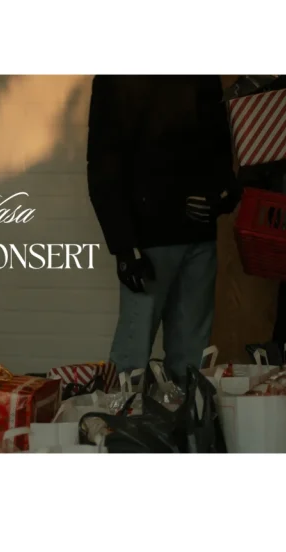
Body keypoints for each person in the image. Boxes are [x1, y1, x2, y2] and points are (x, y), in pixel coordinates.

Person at [86, 75, 240, 381]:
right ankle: (123, 413)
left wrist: (223, 196)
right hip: (150, 241)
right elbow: (103, 164)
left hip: (194, 234)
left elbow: (219, 146)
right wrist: (123, 246)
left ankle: (183, 411)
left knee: (190, 359)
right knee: (132, 359)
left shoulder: (201, 74)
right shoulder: (116, 78)